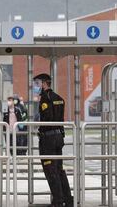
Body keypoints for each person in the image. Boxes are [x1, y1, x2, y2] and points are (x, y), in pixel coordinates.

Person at [33, 73, 73, 207]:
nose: (36, 86)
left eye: (37, 83)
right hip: (58, 137)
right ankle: (68, 199)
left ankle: (57, 201)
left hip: (48, 139)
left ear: (44, 83)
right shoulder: (59, 98)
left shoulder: (45, 99)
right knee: (59, 169)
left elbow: (47, 119)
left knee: (50, 169)